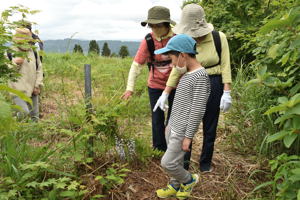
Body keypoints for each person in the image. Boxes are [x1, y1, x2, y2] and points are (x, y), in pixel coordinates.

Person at [154, 4, 232, 172]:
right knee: (183, 124)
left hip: (213, 82)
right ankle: (183, 164)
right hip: (190, 82)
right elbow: (177, 67)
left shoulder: (219, 38)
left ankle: (205, 164)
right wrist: (165, 93)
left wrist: (227, 91)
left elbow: (226, 65)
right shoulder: (184, 40)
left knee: (210, 126)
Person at [154, 34, 210, 199]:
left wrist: (188, 136)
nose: (171, 63)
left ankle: (189, 179)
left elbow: (197, 109)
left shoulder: (200, 77)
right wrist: (169, 124)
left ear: (183, 55)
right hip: (173, 126)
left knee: (168, 162)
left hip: (182, 130)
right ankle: (174, 184)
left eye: (172, 58)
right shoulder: (187, 74)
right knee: (176, 161)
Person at [121, 6, 176, 152]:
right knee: (157, 118)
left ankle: (173, 148)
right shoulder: (148, 40)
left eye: (158, 25)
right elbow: (136, 65)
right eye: (151, 25)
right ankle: (159, 149)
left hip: (176, 85)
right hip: (155, 85)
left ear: (166, 24)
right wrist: (129, 89)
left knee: (174, 118)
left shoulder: (176, 39)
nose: (154, 28)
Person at [8, 28, 43, 121]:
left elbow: (39, 69)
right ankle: (14, 124)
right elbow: (8, 73)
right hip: (17, 90)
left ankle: (34, 134)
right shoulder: (10, 52)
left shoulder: (34, 52)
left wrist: (37, 85)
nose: (26, 45)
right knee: (24, 112)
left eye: (28, 42)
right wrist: (15, 64)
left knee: (35, 116)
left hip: (32, 89)